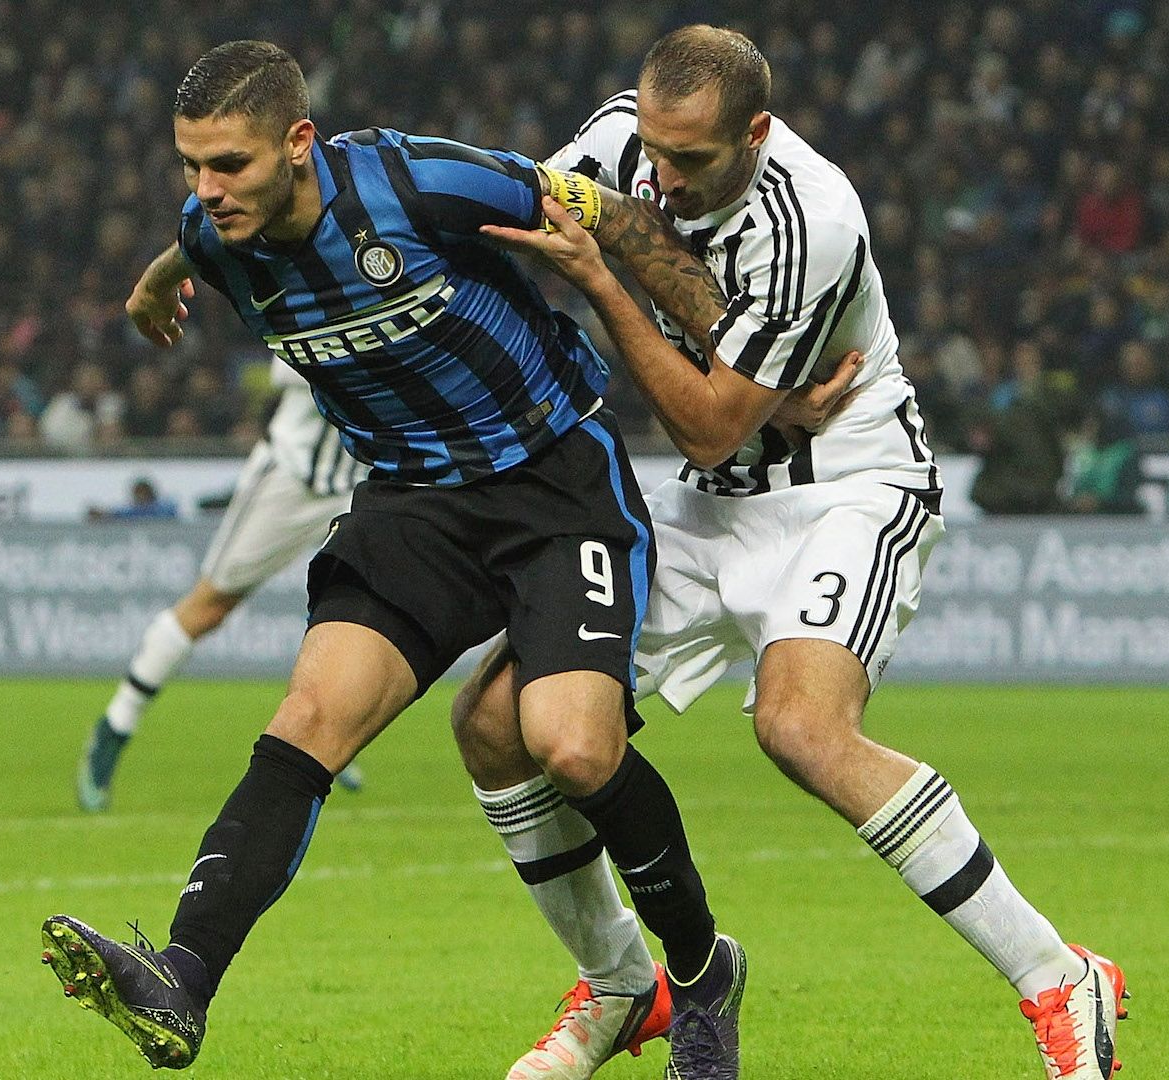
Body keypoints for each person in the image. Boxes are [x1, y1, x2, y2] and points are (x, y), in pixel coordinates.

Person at [39, 41, 736, 1075]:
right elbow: (188, 246)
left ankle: (698, 973)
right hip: (411, 502)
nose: (205, 189)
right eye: (190, 166)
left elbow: (608, 216)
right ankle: (183, 979)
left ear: (298, 142)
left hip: (552, 480)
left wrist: (733, 347)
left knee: (572, 747)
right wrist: (153, 286)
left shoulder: (420, 182)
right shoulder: (216, 234)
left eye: (228, 164)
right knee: (309, 718)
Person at [455, 27, 1127, 1080]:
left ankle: (1055, 974)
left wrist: (601, 276)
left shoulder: (810, 216)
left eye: (692, 162)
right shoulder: (622, 142)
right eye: (654, 154)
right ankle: (625, 985)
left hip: (846, 486)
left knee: (801, 726)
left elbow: (709, 422)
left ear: (756, 132)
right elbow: (504, 204)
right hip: (710, 507)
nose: (662, 180)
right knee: (498, 722)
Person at [77, 360, 369, 812]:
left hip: (360, 483)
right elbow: (290, 368)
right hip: (291, 479)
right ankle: (115, 727)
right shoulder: (317, 298)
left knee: (361, 607)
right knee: (210, 604)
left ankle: (322, 729)